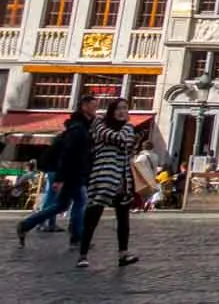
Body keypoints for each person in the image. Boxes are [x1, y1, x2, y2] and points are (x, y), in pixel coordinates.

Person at [17, 95, 97, 245]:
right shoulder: (78, 129)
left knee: (63, 205)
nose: (96, 110)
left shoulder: (81, 127)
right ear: (84, 106)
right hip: (71, 173)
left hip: (73, 172)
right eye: (93, 106)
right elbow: (67, 154)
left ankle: (27, 224)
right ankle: (77, 236)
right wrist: (60, 178)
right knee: (79, 202)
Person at [76, 98, 140, 268]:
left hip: (122, 177)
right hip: (103, 176)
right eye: (118, 108)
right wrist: (127, 131)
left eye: (125, 109)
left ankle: (123, 254)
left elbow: (130, 148)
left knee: (123, 218)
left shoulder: (126, 128)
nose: (122, 112)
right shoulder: (99, 125)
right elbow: (116, 138)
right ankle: (83, 255)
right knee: (93, 217)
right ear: (111, 111)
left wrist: (127, 135)